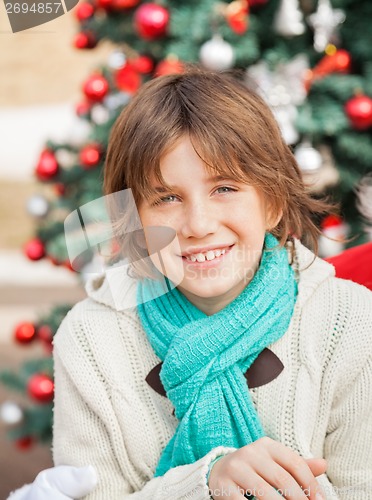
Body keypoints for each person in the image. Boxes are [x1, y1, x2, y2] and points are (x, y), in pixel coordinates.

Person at [8, 67, 372, 500]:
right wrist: (205, 484)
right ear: (135, 221)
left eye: (224, 188)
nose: (198, 225)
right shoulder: (92, 338)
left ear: (272, 202)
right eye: (167, 198)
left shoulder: (347, 320)